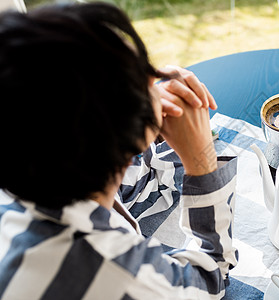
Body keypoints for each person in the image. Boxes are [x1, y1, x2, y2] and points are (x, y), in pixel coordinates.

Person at [0, 2, 238, 299]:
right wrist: (201, 160)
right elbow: (211, 278)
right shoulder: (121, 274)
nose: (158, 76)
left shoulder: (37, 163)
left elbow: (130, 181)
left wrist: (141, 121)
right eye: (142, 74)